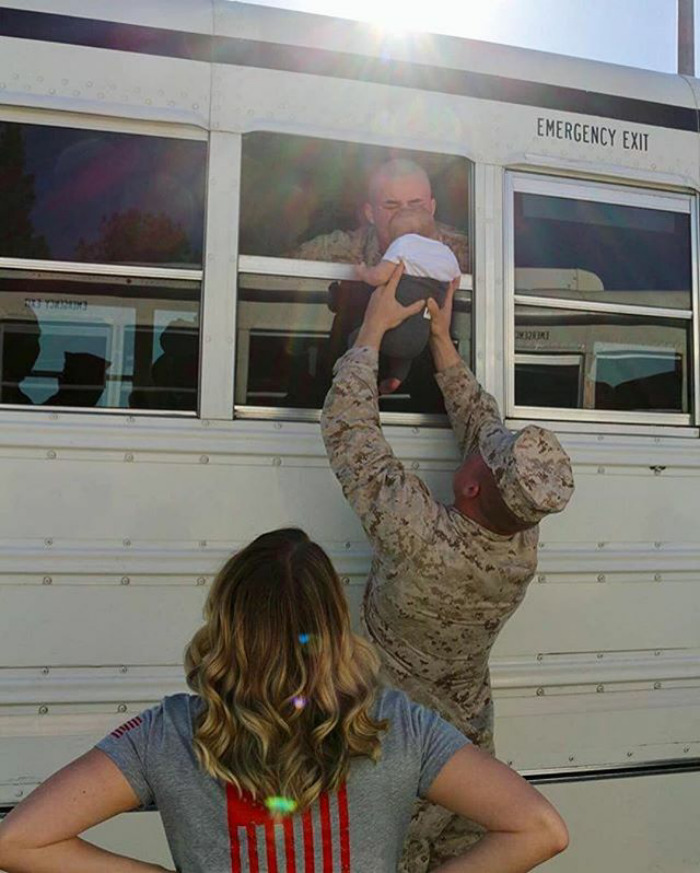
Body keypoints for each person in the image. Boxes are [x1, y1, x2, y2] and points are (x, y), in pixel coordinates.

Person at [0, 527, 568, 873]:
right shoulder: (398, 725)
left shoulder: (168, 732)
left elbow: (20, 842)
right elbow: (539, 829)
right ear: (333, 620)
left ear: (226, 621)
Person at [320, 264, 575, 873]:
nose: (484, 441)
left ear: (467, 486)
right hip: (467, 748)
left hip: (399, 753)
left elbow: (348, 428)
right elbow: (482, 427)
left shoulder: (423, 541)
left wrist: (371, 332)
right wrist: (442, 343)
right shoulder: (519, 541)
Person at [293, 157, 469, 272]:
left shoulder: (463, 253)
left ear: (432, 208)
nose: (404, 214)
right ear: (370, 214)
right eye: (392, 205)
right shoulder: (338, 249)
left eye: (416, 205)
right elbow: (280, 270)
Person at [354, 208, 461, 394]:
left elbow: (379, 277)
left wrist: (363, 272)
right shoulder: (446, 252)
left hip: (392, 329)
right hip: (420, 340)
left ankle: (361, 380)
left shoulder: (404, 243)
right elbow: (455, 282)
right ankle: (397, 377)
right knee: (410, 334)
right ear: (434, 233)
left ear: (397, 237)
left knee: (355, 339)